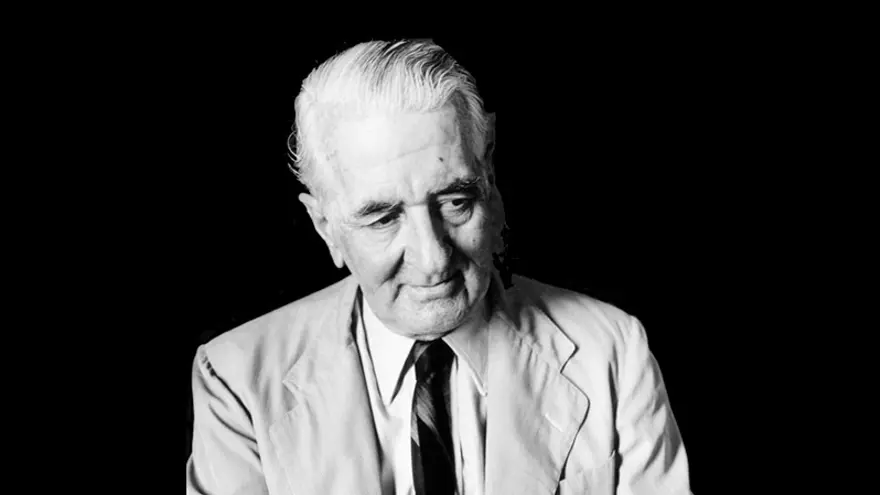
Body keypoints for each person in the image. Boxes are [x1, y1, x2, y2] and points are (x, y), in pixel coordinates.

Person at [186, 39, 692, 495]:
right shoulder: (236, 381)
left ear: (488, 180)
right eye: (383, 218)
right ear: (326, 229)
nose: (432, 259)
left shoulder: (613, 352)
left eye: (455, 202)